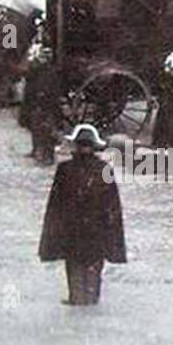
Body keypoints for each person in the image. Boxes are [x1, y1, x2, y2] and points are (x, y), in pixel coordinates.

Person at [38, 122, 127, 305]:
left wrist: (50, 243)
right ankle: (89, 303)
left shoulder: (65, 170)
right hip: (96, 234)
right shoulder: (103, 169)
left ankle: (77, 302)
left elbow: (55, 208)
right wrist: (115, 244)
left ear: (76, 146)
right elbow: (113, 207)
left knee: (75, 277)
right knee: (93, 282)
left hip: (73, 235)